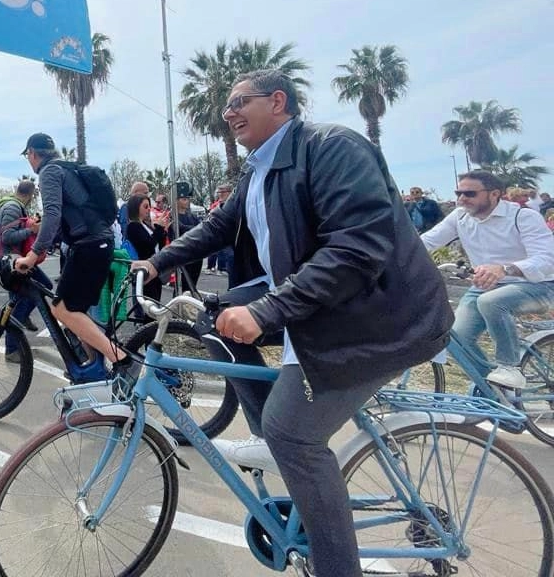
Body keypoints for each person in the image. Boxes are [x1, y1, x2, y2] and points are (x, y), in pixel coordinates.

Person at [133, 69, 452, 576]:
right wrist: (158, 261)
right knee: (215, 322)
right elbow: (219, 226)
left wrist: (266, 310)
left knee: (294, 433)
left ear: (277, 101)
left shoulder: (331, 147)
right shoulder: (259, 168)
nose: (229, 113)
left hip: (380, 317)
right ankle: (271, 438)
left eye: (239, 101)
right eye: (225, 107)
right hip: (325, 303)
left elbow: (355, 248)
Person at [421, 170, 554, 388]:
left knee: (491, 302)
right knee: (456, 338)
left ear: (494, 194)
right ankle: (494, 390)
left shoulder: (523, 217)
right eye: (458, 193)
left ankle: (510, 367)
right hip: (486, 287)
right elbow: (427, 241)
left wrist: (504, 269)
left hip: (538, 286)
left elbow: (547, 259)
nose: (461, 199)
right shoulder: (460, 216)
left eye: (470, 193)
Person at [15, 133, 128, 367]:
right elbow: (70, 217)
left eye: (28, 155)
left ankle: (122, 360)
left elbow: (53, 215)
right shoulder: (65, 168)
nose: (29, 160)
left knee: (61, 310)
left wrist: (33, 255)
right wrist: (44, 237)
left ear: (33, 153)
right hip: (96, 244)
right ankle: (96, 369)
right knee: (77, 313)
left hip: (90, 246)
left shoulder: (49, 172)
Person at [0, 180, 47, 361]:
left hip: (12, 262)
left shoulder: (12, 205)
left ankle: (17, 329)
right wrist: (32, 230)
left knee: (17, 300)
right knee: (42, 286)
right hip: (11, 263)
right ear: (30, 194)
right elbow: (8, 237)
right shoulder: (13, 207)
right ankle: (12, 348)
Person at [124, 194, 168, 320]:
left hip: (153, 268)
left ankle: (151, 331)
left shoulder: (144, 224)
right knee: (150, 305)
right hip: (144, 269)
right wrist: (159, 228)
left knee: (155, 304)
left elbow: (158, 243)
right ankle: (148, 334)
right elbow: (148, 245)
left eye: (149, 206)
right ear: (136, 208)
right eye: (145, 206)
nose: (149, 209)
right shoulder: (133, 226)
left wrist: (162, 230)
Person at [173, 182, 203, 291]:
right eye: (184, 199)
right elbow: (182, 229)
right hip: (183, 256)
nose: (187, 201)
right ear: (176, 200)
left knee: (192, 287)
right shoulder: (173, 217)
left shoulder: (192, 217)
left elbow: (202, 227)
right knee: (183, 288)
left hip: (195, 256)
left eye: (187, 199)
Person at [206, 183, 234, 277]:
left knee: (229, 256)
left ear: (230, 192)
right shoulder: (215, 206)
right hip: (218, 235)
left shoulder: (235, 204)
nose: (220, 194)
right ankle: (211, 267)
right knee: (217, 253)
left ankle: (221, 268)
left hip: (231, 237)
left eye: (223, 192)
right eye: (219, 192)